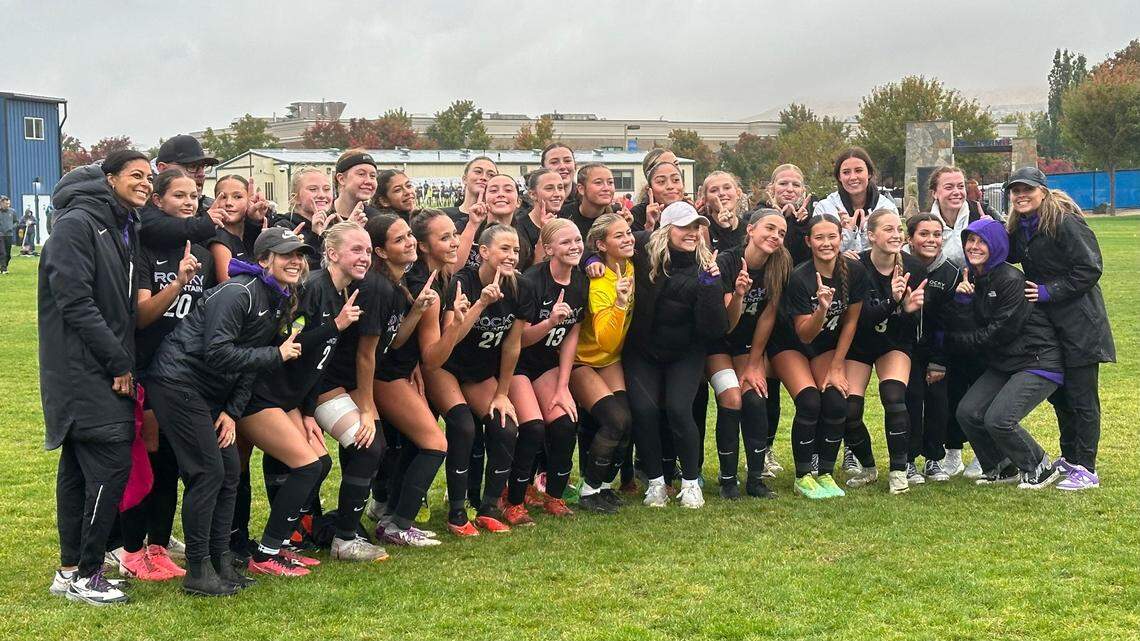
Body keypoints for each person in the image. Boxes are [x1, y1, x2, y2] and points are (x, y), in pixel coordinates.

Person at [146, 226, 310, 596]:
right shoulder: (238, 292)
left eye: (300, 255)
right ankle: (198, 570)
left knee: (230, 472)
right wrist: (276, 354)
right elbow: (216, 352)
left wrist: (231, 412)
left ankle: (221, 562)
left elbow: (248, 366)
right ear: (264, 260)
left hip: (210, 394)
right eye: (286, 254)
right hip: (177, 382)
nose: (296, 261)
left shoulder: (280, 297)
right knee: (207, 472)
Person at [40, 151, 151, 605]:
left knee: (78, 470)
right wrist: (119, 362)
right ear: (109, 178)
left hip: (97, 366)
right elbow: (75, 303)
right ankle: (88, 574)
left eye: (149, 176)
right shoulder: (78, 225)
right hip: (82, 371)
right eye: (135, 175)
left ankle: (70, 571)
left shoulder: (120, 225)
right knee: (109, 462)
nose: (145, 183)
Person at [115, 168, 215, 582]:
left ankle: (159, 544)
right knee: (151, 458)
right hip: (149, 367)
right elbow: (141, 316)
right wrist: (177, 284)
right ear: (158, 201)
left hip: (187, 374)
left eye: (193, 195)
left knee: (175, 459)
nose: (190, 202)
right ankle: (131, 549)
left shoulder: (205, 253)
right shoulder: (144, 249)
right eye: (179, 195)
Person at [1004, 167, 1115, 491]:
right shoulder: (1021, 226)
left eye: (1027, 190)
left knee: (1082, 398)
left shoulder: (1063, 220)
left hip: (1081, 323)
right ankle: (1071, 458)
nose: (1021, 195)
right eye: (1015, 191)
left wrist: (1049, 291)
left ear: (1042, 191)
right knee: (1062, 398)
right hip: (1051, 326)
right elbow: (1006, 251)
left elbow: (1090, 267)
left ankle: (1087, 468)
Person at [946, 218, 1064, 489]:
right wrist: (963, 300)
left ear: (996, 245)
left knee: (999, 419)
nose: (974, 247)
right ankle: (1001, 467)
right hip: (1005, 361)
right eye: (970, 240)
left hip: (1037, 359)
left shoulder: (1010, 278)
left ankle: (1040, 466)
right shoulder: (973, 277)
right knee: (967, 412)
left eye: (982, 241)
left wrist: (957, 341)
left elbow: (1000, 331)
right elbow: (968, 323)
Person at [624, 201, 727, 509]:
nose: (692, 233)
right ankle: (656, 483)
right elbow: (604, 240)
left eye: (697, 227)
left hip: (685, 351)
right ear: (667, 229)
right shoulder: (642, 247)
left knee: (680, 411)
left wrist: (710, 287)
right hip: (642, 349)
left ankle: (691, 482)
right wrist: (591, 258)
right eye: (685, 226)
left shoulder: (706, 267)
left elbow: (714, 328)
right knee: (643, 410)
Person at [432, 224, 527, 533]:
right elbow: (450, 339)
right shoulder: (463, 282)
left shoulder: (520, 287)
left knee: (505, 426)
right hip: (447, 367)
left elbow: (513, 344)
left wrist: (502, 392)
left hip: (481, 373)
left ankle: (488, 508)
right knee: (462, 426)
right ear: (483, 252)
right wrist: (481, 303)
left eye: (515, 250)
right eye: (504, 249)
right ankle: (457, 512)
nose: (512, 256)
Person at [365, 214, 452, 546]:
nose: (409, 243)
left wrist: (416, 313)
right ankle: (396, 524)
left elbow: (399, 341)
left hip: (399, 371)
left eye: (408, 236)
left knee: (415, 444)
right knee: (434, 443)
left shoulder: (405, 280)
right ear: (381, 251)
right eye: (399, 239)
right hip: (383, 377)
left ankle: (391, 516)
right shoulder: (385, 285)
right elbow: (376, 349)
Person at [769, 214, 869, 500]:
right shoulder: (800, 278)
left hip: (825, 347)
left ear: (841, 238)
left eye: (832, 237)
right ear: (808, 241)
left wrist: (837, 365)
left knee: (837, 401)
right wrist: (822, 309)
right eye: (819, 238)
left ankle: (824, 472)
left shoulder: (854, 271)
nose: (826, 243)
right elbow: (804, 335)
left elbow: (850, 322)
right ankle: (803, 476)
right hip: (791, 345)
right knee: (810, 401)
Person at [504, 218, 587, 522]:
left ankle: (554, 496)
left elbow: (572, 333)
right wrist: (550, 322)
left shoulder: (580, 281)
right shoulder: (531, 282)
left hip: (546, 365)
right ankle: (513, 499)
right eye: (566, 242)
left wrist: (564, 385)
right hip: (516, 364)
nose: (574, 246)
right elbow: (519, 339)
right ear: (549, 248)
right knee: (533, 427)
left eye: (577, 240)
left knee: (565, 422)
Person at [704, 209, 790, 499]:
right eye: (770, 228)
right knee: (731, 397)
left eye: (781, 233)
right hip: (718, 342)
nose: (776, 236)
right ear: (750, 229)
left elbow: (768, 316)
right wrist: (739, 294)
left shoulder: (779, 264)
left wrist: (755, 364)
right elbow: (728, 324)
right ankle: (727, 480)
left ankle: (755, 480)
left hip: (746, 347)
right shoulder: (729, 261)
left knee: (755, 397)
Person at [841, 210, 927, 494]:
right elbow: (864, 319)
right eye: (887, 229)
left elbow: (908, 324)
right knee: (849, 409)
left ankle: (899, 471)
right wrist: (893, 301)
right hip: (861, 343)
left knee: (893, 397)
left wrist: (908, 310)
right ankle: (867, 466)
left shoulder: (912, 266)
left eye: (898, 229)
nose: (895, 235)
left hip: (893, 342)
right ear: (871, 235)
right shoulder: (857, 266)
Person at [569, 213, 636, 513]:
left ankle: (605, 486)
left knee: (627, 420)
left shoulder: (630, 265)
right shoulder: (598, 282)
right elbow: (606, 339)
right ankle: (588, 491)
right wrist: (620, 302)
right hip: (582, 361)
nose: (628, 238)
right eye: (619, 235)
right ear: (601, 245)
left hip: (611, 361)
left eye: (628, 232)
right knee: (614, 420)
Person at [902, 213, 963, 481]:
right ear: (910, 238)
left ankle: (934, 459)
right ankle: (908, 459)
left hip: (936, 350)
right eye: (923, 234)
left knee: (938, 403)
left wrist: (939, 360)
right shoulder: (899, 265)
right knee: (911, 401)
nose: (931, 240)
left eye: (936, 235)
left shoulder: (950, 272)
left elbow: (948, 321)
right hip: (903, 348)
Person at [813, 147, 898, 254]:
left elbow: (891, 247)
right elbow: (820, 249)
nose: (853, 177)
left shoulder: (887, 208)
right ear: (839, 176)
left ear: (869, 173)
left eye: (858, 170)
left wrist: (866, 231)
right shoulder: (825, 208)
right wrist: (848, 232)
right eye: (846, 172)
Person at [270, 167, 332, 271]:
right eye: (313, 189)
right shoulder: (284, 227)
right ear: (295, 198)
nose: (322, 195)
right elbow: (299, 273)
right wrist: (315, 237)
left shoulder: (333, 225)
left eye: (327, 189)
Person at [926, 166, 988, 268]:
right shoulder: (924, 221)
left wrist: (994, 230)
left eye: (960, 186)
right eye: (949, 187)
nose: (956, 192)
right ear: (935, 193)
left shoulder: (983, 212)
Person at [207, 175, 257, 283]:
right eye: (223, 197)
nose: (229, 203)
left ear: (249, 200)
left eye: (237, 197)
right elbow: (228, 285)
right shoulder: (218, 239)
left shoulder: (253, 232)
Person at [516, 169, 566, 261]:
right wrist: (544, 234)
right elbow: (530, 272)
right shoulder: (519, 227)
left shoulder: (567, 219)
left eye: (560, 188)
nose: (557, 194)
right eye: (549, 188)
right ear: (532, 194)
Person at [698, 171, 749, 253]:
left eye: (727, 188)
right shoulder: (701, 229)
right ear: (705, 200)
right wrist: (725, 229)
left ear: (738, 193)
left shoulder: (749, 229)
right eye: (714, 190)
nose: (721, 193)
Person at [331, 149, 379, 224]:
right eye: (361, 174)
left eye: (372, 176)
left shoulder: (377, 220)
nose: (368, 181)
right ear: (342, 179)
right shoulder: (321, 217)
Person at [0, 195, 18, 273]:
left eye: (8, 203)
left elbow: (16, 222)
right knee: (2, 252)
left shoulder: (12, 211)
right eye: (6, 203)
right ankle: (4, 269)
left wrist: (12, 227)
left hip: (9, 234)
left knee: (8, 254)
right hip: (0, 234)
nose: (7, 205)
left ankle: (4, 266)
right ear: (1, 203)